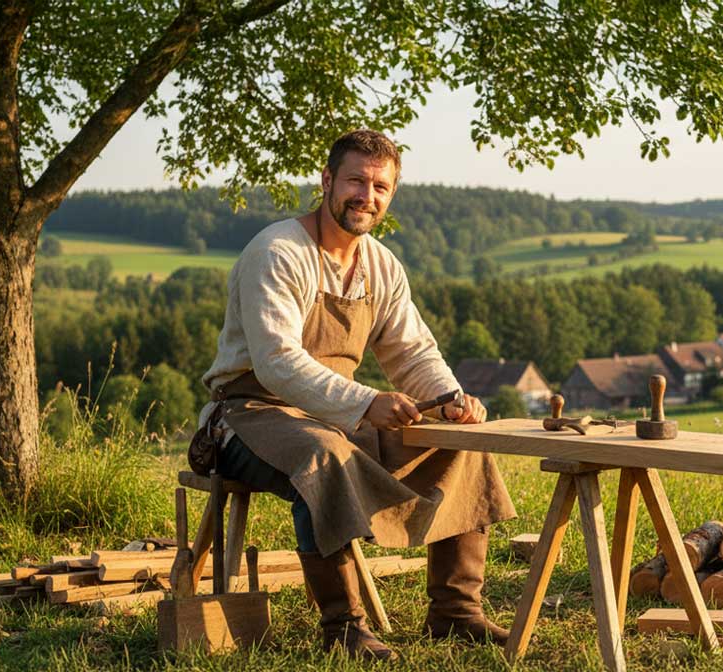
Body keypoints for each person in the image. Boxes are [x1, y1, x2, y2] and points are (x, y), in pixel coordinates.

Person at [195, 129, 516, 661]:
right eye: (356, 181)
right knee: (325, 455)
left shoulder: (382, 266)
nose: (368, 196)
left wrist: (450, 397)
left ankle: (456, 613)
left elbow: (411, 351)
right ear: (327, 182)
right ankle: (343, 628)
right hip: (248, 414)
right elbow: (276, 363)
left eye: (381, 187)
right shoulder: (277, 251)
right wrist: (366, 402)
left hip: (335, 414)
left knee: (463, 442)